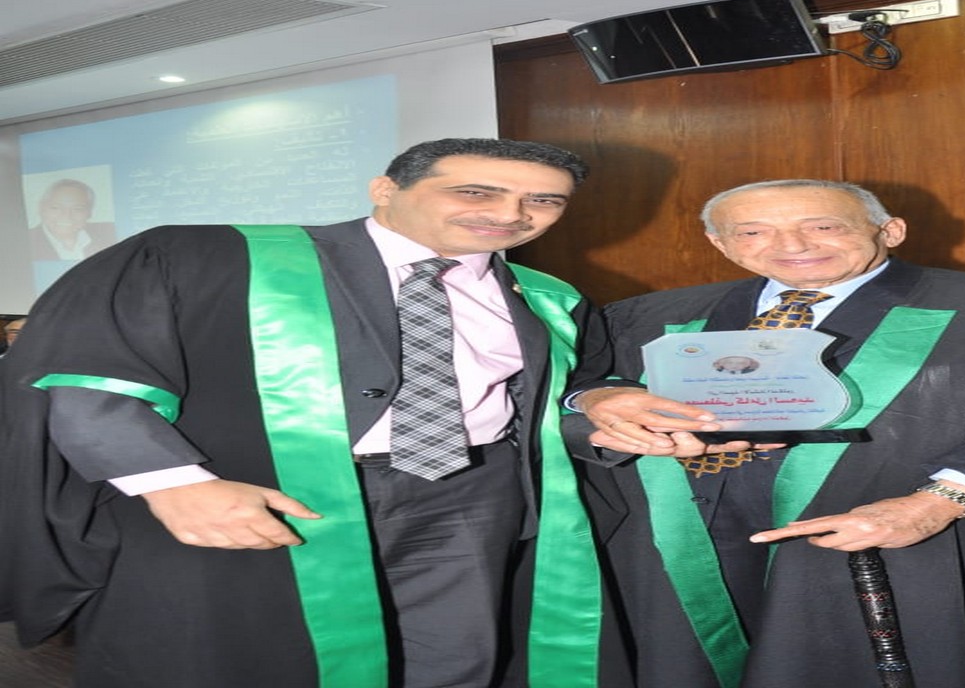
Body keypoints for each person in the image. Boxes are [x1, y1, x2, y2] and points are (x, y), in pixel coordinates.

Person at [0, 138, 614, 688]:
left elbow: (573, 386)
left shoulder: (547, 297)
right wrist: (172, 483)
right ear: (385, 189)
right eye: (476, 192)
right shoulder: (204, 257)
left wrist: (598, 400)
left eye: (543, 201)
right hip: (257, 492)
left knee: (452, 654)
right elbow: (87, 376)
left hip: (469, 495)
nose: (511, 214)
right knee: (242, 657)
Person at [567, 179, 965, 687]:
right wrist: (595, 408)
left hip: (897, 539)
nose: (793, 246)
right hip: (680, 540)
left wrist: (933, 506)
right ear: (719, 243)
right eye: (753, 232)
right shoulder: (645, 316)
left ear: (891, 230)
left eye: (824, 226)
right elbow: (567, 399)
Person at [27, 178, 116, 261]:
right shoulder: (25, 241)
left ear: (89, 212)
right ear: (41, 208)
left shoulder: (109, 232)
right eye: (56, 208)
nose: (66, 216)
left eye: (77, 209)